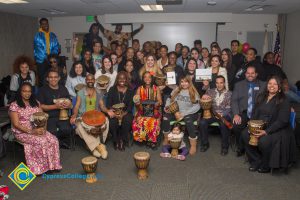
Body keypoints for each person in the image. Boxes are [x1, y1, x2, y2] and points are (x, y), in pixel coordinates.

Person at [241, 76, 297, 173]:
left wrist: (266, 131)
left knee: (264, 141)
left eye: (275, 84)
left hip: (277, 129)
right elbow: (255, 113)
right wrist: (252, 125)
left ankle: (265, 164)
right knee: (245, 134)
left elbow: (282, 121)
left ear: (279, 87)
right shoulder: (261, 96)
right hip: (260, 125)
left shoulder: (284, 100)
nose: (272, 86)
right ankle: (256, 160)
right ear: (267, 85)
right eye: (270, 83)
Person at [9, 82, 62, 175]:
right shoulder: (15, 105)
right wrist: (32, 131)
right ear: (20, 92)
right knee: (41, 141)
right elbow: (16, 124)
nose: (27, 93)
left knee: (53, 139)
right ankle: (40, 168)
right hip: (21, 132)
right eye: (24, 91)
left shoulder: (36, 102)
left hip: (37, 129)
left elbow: (43, 116)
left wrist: (44, 129)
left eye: (29, 91)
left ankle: (53, 165)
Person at [70, 74, 109, 159]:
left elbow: (102, 106)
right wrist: (74, 115)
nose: (90, 81)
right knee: (79, 126)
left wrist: (107, 111)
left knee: (106, 120)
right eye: (88, 79)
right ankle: (99, 147)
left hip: (96, 117)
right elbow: (76, 106)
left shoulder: (98, 92)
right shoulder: (80, 92)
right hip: (84, 116)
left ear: (94, 81)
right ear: (86, 81)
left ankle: (92, 147)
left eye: (92, 79)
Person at [231, 66, 265, 157]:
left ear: (256, 74)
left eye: (252, 73)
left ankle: (255, 149)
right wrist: (236, 114)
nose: (250, 75)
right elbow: (234, 101)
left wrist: (287, 106)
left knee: (252, 129)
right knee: (236, 126)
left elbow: (276, 95)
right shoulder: (238, 85)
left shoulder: (264, 85)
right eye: (248, 73)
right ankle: (240, 147)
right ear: (245, 74)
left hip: (258, 114)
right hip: (244, 113)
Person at [162, 76, 201, 155]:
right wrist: (167, 106)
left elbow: (197, 106)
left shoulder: (194, 92)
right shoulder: (176, 90)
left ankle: (193, 145)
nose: (184, 84)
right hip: (176, 112)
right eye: (182, 82)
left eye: (186, 82)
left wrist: (183, 114)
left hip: (190, 113)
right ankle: (166, 138)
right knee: (165, 118)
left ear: (189, 82)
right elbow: (169, 99)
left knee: (188, 120)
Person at [37, 69, 72, 149]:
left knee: (67, 130)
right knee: (52, 132)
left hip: (63, 116)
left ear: (59, 78)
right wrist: (55, 106)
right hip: (49, 117)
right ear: (47, 79)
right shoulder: (42, 90)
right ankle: (57, 143)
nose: (53, 79)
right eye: (51, 77)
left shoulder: (63, 89)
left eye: (55, 77)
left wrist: (68, 104)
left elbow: (69, 101)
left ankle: (58, 142)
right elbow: (40, 106)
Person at [199, 75, 232, 156]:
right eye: (217, 83)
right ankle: (205, 143)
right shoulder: (210, 91)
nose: (219, 85)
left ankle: (225, 146)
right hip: (212, 114)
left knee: (223, 124)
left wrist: (222, 114)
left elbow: (229, 108)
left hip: (224, 115)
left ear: (224, 83)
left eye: (221, 83)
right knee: (202, 122)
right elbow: (204, 99)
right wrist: (204, 97)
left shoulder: (230, 93)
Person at [103, 72, 134, 151]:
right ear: (117, 79)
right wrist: (114, 113)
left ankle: (123, 140)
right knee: (112, 122)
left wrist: (123, 114)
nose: (122, 80)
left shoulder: (130, 90)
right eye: (120, 78)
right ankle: (115, 140)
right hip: (114, 112)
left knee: (127, 120)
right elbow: (108, 104)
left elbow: (130, 106)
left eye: (124, 78)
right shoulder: (112, 89)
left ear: (126, 80)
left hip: (126, 112)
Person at [132, 72, 162, 149]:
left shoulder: (156, 88)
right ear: (143, 79)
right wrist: (137, 102)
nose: (147, 79)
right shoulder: (139, 89)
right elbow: (136, 101)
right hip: (142, 110)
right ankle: (143, 139)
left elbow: (160, 101)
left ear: (152, 79)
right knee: (140, 120)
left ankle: (151, 141)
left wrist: (157, 103)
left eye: (149, 77)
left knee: (153, 121)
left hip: (154, 110)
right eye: (145, 77)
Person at [34, 18, 59, 87]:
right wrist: (48, 58)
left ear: (48, 23)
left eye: (46, 23)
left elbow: (56, 47)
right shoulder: (38, 36)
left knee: (52, 77)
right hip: (42, 61)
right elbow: (38, 49)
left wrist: (52, 58)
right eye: (43, 23)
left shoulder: (53, 35)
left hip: (51, 61)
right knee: (43, 79)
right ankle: (43, 94)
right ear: (40, 25)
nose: (45, 25)